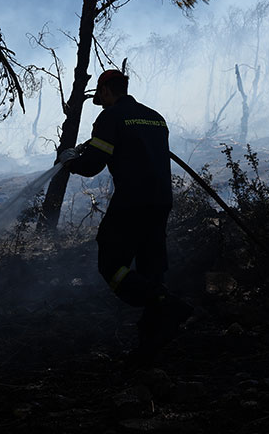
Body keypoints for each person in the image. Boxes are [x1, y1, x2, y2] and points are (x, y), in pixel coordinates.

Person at [59, 69, 192, 361]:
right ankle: (151, 345)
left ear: (106, 90)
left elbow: (93, 164)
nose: (101, 101)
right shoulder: (155, 117)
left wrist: (70, 163)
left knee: (110, 263)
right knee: (151, 268)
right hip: (161, 201)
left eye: (101, 96)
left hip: (132, 201)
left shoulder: (110, 117)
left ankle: (163, 301)